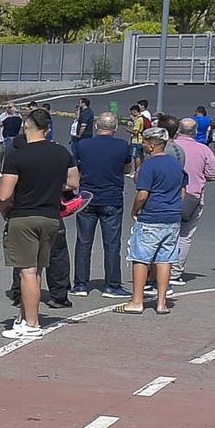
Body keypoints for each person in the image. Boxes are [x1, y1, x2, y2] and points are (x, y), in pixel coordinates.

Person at [0, 107, 78, 338]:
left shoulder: (17, 155)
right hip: (51, 217)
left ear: (26, 126)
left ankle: (32, 323)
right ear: (48, 128)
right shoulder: (61, 152)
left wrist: (5, 211)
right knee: (37, 269)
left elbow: (4, 195)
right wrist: (52, 186)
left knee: (27, 271)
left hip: (24, 215)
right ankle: (24, 317)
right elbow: (73, 182)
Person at [122, 128, 183, 314]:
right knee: (165, 259)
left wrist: (135, 210)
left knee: (140, 257)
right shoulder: (176, 164)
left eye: (145, 141)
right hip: (172, 216)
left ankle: (137, 300)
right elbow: (183, 190)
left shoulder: (149, 165)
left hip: (152, 216)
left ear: (151, 144)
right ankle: (162, 302)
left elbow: (143, 194)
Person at [72, 112, 132, 298]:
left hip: (87, 197)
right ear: (114, 128)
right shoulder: (122, 145)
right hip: (111, 197)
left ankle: (81, 284)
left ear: (97, 126)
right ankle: (112, 285)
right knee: (112, 244)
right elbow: (127, 168)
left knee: (83, 242)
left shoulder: (83, 145)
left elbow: (77, 169)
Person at [171, 116, 215, 277]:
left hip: (169, 195)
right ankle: (175, 273)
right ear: (195, 132)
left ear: (179, 129)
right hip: (193, 195)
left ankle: (159, 271)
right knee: (185, 235)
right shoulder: (204, 150)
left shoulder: (170, 147)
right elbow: (212, 174)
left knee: (166, 233)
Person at [0, 103, 24, 173]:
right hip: (2, 137)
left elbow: (2, 124)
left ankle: (5, 171)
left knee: (8, 154)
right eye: (7, 107)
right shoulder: (3, 115)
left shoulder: (16, 118)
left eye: (10, 107)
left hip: (9, 137)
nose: (8, 109)